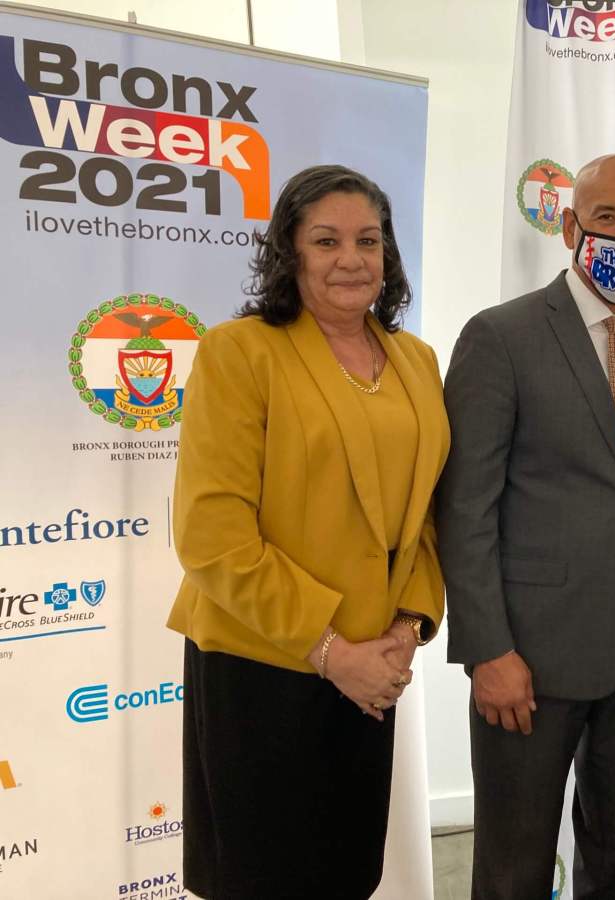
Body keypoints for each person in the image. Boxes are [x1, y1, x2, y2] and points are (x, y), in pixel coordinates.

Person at [167, 164, 450, 899]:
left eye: (368, 240)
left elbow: (427, 516)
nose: (351, 259)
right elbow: (211, 533)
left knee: (346, 873)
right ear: (289, 253)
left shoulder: (417, 361)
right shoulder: (240, 351)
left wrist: (406, 629)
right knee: (264, 880)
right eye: (327, 241)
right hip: (265, 664)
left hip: (374, 669)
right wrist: (332, 652)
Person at [436, 153, 615, 899]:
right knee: (513, 870)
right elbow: (465, 507)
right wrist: (487, 650)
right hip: (526, 664)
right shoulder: (501, 336)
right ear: (570, 226)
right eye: (607, 217)